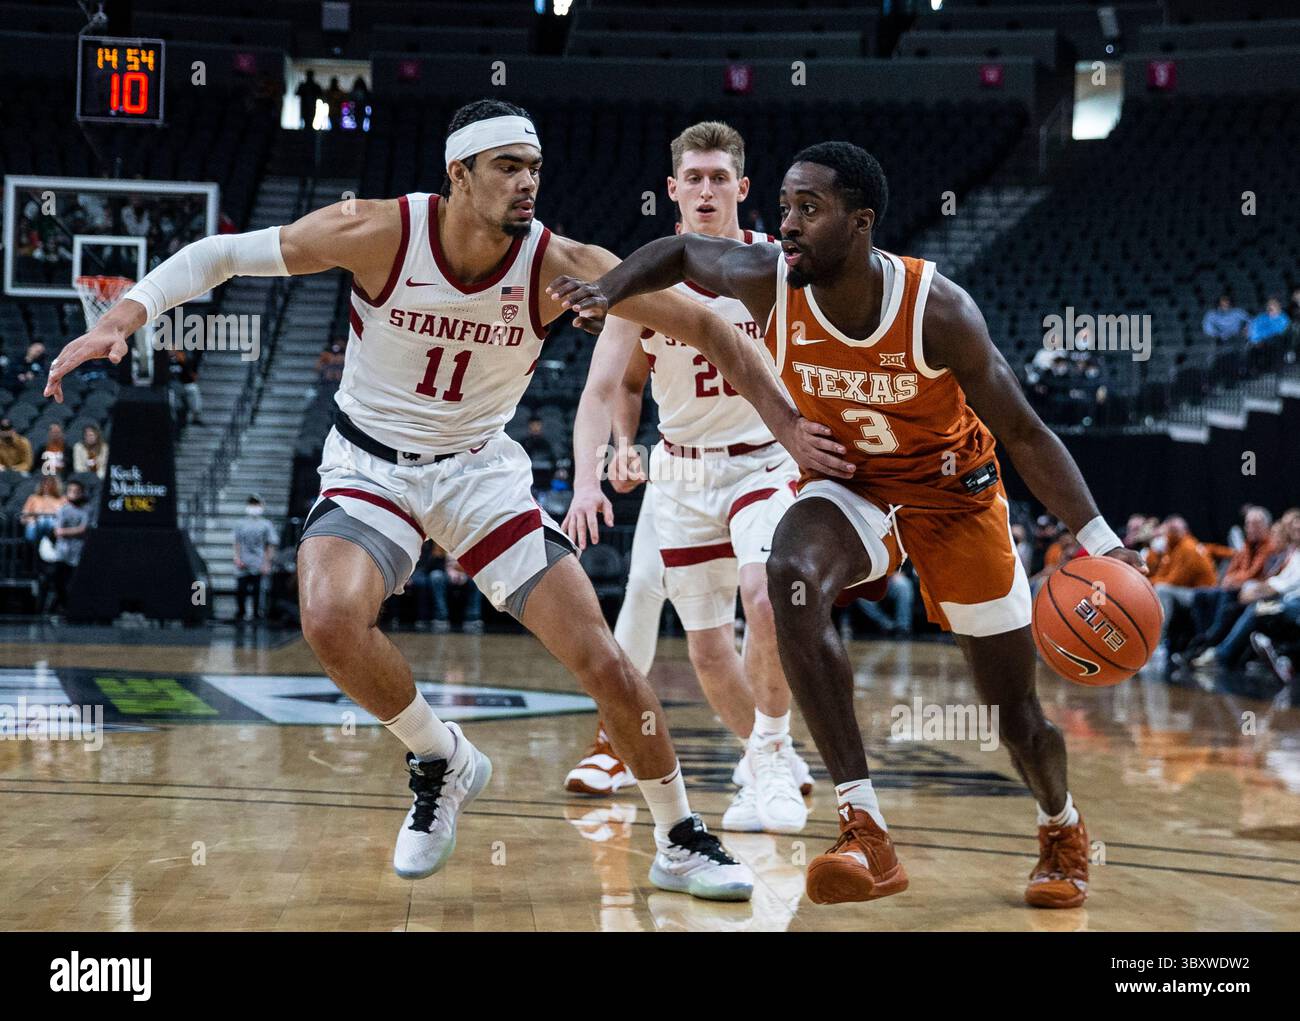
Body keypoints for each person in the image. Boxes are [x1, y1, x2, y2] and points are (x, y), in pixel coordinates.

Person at [45, 98, 842, 903]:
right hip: (371, 465)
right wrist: (123, 316)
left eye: (534, 167)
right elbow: (221, 254)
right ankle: (440, 756)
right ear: (458, 174)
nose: (527, 181)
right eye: (507, 166)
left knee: (603, 657)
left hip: (477, 475)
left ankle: (677, 834)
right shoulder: (380, 231)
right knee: (326, 615)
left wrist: (790, 427)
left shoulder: (557, 264)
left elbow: (714, 331)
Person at [551, 139, 1148, 909]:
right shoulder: (769, 280)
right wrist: (607, 288)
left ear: (860, 223)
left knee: (1014, 714)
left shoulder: (938, 310)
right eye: (787, 206)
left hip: (953, 500)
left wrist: (1101, 541)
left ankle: (1059, 824)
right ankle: (863, 823)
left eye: (810, 209)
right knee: (787, 573)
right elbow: (674, 250)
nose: (788, 225)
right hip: (856, 487)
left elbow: (1027, 434)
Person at [561, 121, 813, 834]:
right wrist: (592, 476)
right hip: (681, 469)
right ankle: (768, 755)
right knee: (705, 645)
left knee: (765, 597)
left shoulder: (782, 264)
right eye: (692, 178)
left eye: (718, 177)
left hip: (765, 460)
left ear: (743, 186)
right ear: (672, 190)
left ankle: (761, 755)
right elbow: (604, 387)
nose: (706, 189)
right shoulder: (643, 278)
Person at [1181, 506, 1276, 664]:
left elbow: (1253, 573)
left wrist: (1233, 580)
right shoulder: (1246, 546)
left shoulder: (1269, 546)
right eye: (1248, 524)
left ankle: (1208, 642)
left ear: (1267, 526)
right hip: (1237, 588)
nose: (1250, 528)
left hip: (1250, 591)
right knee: (1201, 595)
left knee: (1226, 596)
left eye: (1256, 524)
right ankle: (1203, 636)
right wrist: (1231, 579)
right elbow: (1231, 571)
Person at [1145, 515, 1217, 648]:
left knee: (1162, 590)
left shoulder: (1187, 548)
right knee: (1154, 588)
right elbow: (1161, 572)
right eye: (1169, 531)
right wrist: (1153, 553)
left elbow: (1176, 580)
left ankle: (1158, 640)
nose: (1169, 534)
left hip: (1202, 594)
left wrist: (1148, 582)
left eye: (1173, 530)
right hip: (1188, 590)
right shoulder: (1173, 549)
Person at [46, 479, 92, 614]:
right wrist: (75, 531)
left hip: (79, 552)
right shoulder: (63, 510)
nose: (74, 494)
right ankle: (60, 607)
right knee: (59, 581)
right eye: (71, 491)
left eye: (77, 492)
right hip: (63, 552)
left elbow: (84, 529)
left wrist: (69, 531)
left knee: (74, 582)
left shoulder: (87, 510)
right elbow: (58, 531)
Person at [233, 495, 277, 621]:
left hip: (258, 561)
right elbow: (237, 542)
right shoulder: (240, 523)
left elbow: (271, 544)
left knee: (258, 590)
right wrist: (236, 557)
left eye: (256, 504)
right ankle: (241, 612)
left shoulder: (266, 524)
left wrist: (267, 563)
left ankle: (256, 614)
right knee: (241, 589)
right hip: (243, 561)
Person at [22, 475, 65, 545]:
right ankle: (35, 545)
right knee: (37, 523)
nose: (47, 486)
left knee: (48, 521)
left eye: (51, 483)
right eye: (45, 483)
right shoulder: (33, 498)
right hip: (36, 523)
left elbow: (67, 514)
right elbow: (24, 516)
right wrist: (30, 520)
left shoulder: (62, 499)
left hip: (56, 523)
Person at [520, 415, 556, 493]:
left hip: (545, 477)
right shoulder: (523, 442)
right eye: (533, 425)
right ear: (529, 426)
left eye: (538, 425)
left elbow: (553, 460)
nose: (535, 428)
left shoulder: (547, 442)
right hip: (528, 478)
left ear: (541, 426)